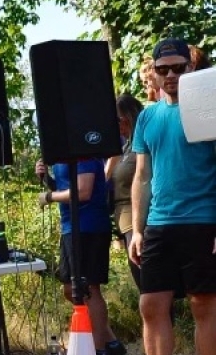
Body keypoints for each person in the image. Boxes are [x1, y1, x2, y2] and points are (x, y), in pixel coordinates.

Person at [130, 38, 216, 355]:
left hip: (203, 219)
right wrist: (138, 230)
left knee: (203, 305)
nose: (170, 75)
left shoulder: (210, 109)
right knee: (151, 305)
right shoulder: (147, 117)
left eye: (178, 68)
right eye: (163, 69)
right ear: (155, 71)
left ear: (191, 67)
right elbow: (142, 176)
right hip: (159, 223)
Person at [35, 158, 125, 355]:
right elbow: (66, 188)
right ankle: (111, 342)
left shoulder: (82, 151)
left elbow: (83, 192)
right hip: (71, 227)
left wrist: (49, 197)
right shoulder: (60, 155)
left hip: (89, 227)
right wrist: (46, 179)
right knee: (70, 289)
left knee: (89, 288)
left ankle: (99, 348)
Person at [104, 94, 145, 288]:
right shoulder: (125, 146)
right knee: (144, 286)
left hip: (136, 220)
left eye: (119, 119)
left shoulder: (142, 145)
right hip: (124, 222)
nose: (116, 125)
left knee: (149, 286)